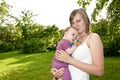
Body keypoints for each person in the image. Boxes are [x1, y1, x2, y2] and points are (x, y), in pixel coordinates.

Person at [50, 8, 104, 80]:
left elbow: (99, 71)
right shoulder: (73, 40)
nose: (76, 25)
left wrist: (70, 60)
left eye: (78, 21)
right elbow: (63, 59)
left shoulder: (93, 37)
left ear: (86, 21)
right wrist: (55, 71)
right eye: (73, 23)